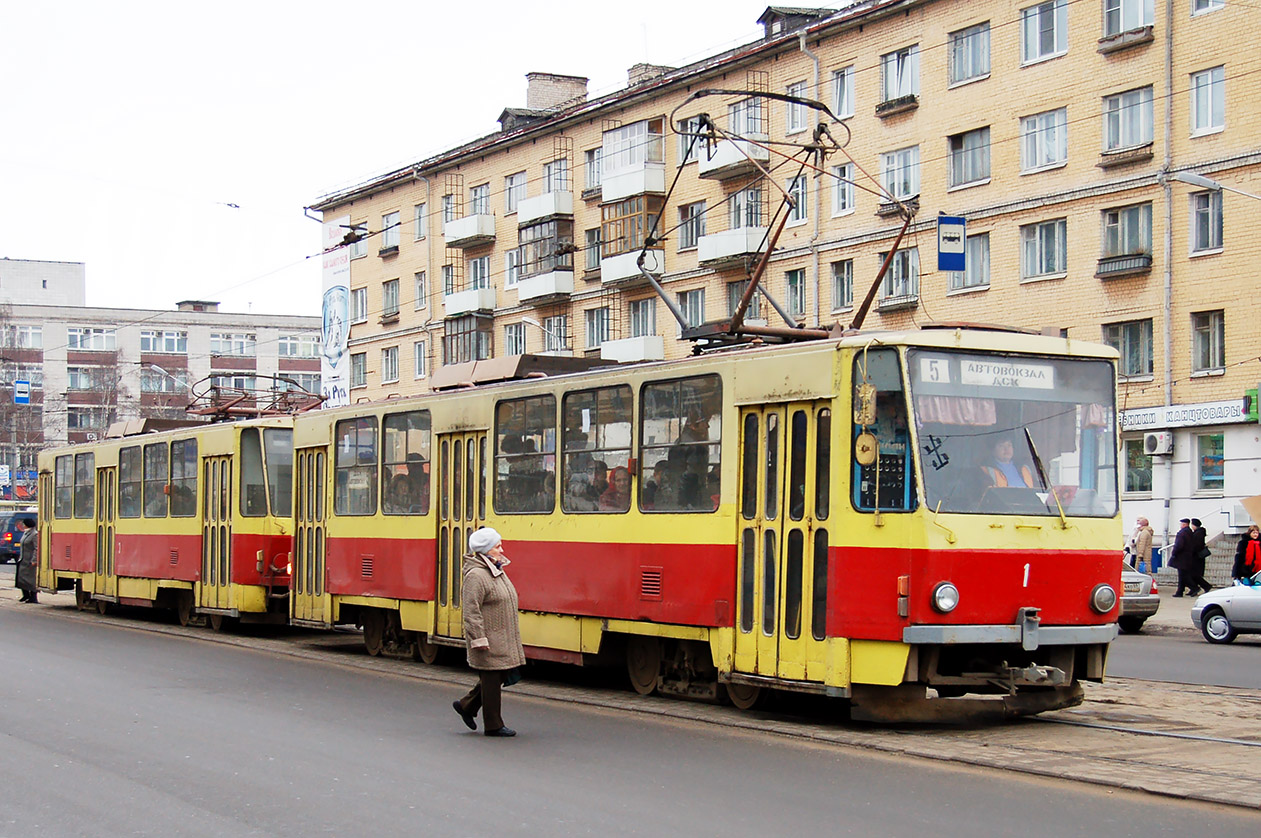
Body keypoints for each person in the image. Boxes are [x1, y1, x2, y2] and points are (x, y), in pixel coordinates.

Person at [453, 527, 525, 738]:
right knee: (492, 678)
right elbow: (471, 611)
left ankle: (467, 706)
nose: (501, 549)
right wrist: (478, 638)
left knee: (500, 673)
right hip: (489, 638)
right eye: (497, 546)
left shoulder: (495, 570)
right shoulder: (476, 575)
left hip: (502, 636)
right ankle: (493, 725)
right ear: (485, 551)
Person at [1168, 518, 1195, 597]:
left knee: (1183, 575)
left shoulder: (1182, 533)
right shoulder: (1190, 532)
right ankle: (1180, 591)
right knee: (1183, 574)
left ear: (1184, 524)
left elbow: (1179, 545)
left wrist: (1174, 553)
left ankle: (1193, 587)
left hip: (1181, 557)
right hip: (1187, 557)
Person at [15, 518, 38, 604]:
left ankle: (33, 597)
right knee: (21, 578)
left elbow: (37, 548)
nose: (22, 525)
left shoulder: (34, 534)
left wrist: (34, 560)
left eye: (23, 524)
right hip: (23, 559)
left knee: (31, 580)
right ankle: (25, 595)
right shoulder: (26, 533)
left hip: (29, 560)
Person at [1188, 518, 1213, 595]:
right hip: (1197, 557)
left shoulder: (1198, 534)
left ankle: (1206, 586)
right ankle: (1195, 588)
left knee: (1194, 574)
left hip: (1197, 557)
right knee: (1194, 574)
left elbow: (1196, 546)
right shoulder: (1199, 533)